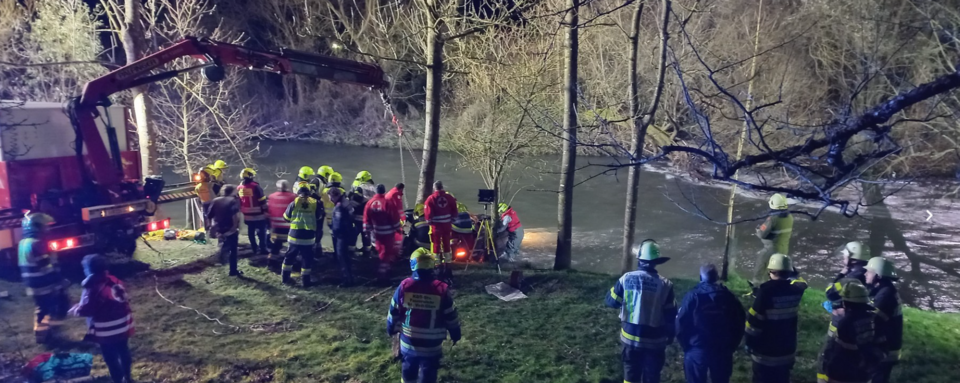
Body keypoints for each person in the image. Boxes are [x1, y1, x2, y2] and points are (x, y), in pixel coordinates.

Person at [605, 240, 677, 383]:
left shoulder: (626, 279)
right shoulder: (666, 285)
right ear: (656, 262)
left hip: (630, 339)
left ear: (639, 259)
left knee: (631, 374)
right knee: (652, 376)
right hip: (655, 342)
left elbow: (611, 301)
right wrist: (670, 335)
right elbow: (671, 315)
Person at [387, 249, 461, 383]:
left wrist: (391, 328)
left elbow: (394, 311)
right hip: (432, 345)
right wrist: (455, 333)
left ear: (413, 264)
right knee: (429, 371)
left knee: (408, 370)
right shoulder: (441, 289)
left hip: (409, 342)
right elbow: (451, 315)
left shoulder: (405, 286)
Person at [68, 254, 134, 383]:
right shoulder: (115, 280)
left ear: (88, 270)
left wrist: (76, 310)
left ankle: (117, 379)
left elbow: (88, 309)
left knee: (110, 356)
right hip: (124, 324)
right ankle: (127, 376)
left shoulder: (92, 287)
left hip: (106, 329)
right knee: (123, 350)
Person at [676, 264, 745, 383]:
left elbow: (680, 322)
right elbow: (740, 320)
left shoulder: (693, 296)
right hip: (722, 348)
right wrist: (732, 345)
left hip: (697, 348)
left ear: (700, 277)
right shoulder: (728, 296)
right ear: (717, 277)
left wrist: (685, 345)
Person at [745, 253, 807, 383]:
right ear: (789, 272)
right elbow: (802, 282)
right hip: (787, 350)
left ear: (770, 271)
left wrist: (749, 343)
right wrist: (793, 271)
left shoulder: (765, 291)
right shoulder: (797, 289)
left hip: (765, 352)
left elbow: (754, 322)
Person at [816, 280, 883, 383]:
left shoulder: (846, 323)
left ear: (846, 303)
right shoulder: (873, 318)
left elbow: (840, 353)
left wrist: (830, 372)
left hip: (845, 373)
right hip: (864, 372)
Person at [18, 212, 70, 344]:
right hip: (43, 282)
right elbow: (45, 266)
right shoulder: (37, 244)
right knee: (51, 308)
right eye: (44, 226)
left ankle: (43, 334)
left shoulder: (23, 243)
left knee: (41, 307)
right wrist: (59, 278)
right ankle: (47, 336)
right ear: (36, 227)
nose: (47, 229)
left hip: (32, 283)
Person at [864, 257, 902, 383]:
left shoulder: (885, 295)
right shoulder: (883, 289)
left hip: (884, 351)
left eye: (869, 271)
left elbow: (872, 321)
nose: (865, 274)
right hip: (885, 348)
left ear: (878, 275)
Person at [282, 182, 323, 286]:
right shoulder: (315, 203)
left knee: (289, 257)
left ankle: (285, 279)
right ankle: (306, 281)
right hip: (308, 236)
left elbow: (286, 218)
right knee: (307, 259)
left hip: (294, 235)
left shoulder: (294, 203)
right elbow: (319, 217)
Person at [364, 184, 402, 283]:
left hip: (376, 233)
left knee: (380, 252)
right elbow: (395, 217)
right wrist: (398, 229)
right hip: (388, 233)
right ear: (384, 191)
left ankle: (383, 271)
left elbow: (366, 219)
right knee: (386, 253)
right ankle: (383, 276)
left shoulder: (369, 203)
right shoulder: (388, 202)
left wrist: (367, 232)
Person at [753, 193, 793, 283]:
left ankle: (756, 286)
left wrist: (758, 230)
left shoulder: (773, 219)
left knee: (761, 267)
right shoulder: (790, 217)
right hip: (784, 248)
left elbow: (762, 234)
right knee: (778, 272)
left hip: (771, 249)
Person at [205, 185, 242, 276]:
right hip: (230, 228)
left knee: (223, 244)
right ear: (232, 192)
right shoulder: (233, 201)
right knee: (233, 250)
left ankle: (221, 260)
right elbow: (235, 216)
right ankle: (233, 270)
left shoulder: (215, 200)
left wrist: (210, 226)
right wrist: (234, 227)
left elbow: (209, 215)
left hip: (219, 228)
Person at [823, 241, 871, 311]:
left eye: (845, 256)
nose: (843, 257)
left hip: (850, 310)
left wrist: (841, 275)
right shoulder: (867, 271)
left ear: (853, 260)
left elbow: (831, 294)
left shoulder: (851, 278)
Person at [328, 187, 356, 287]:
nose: (330, 199)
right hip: (344, 233)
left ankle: (347, 280)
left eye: (330, 197)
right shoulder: (344, 202)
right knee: (344, 256)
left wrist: (335, 230)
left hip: (341, 235)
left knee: (342, 256)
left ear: (335, 196)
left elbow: (339, 222)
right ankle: (348, 277)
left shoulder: (340, 206)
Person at [238, 168, 269, 255]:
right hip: (258, 213)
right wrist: (266, 211)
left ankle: (254, 248)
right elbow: (262, 200)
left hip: (246, 214)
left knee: (251, 231)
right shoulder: (255, 186)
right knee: (262, 231)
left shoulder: (239, 187)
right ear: (251, 176)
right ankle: (263, 248)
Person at [424, 181, 458, 260]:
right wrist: (452, 220)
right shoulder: (449, 197)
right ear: (442, 187)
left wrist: (429, 221)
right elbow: (454, 210)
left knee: (436, 243)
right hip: (447, 224)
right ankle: (447, 260)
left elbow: (428, 213)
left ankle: (437, 261)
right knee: (447, 242)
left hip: (436, 225)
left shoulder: (431, 198)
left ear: (434, 188)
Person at [267, 180, 296, 269]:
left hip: (275, 227)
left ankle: (271, 263)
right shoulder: (293, 197)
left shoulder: (271, 196)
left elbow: (268, 210)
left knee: (276, 245)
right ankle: (291, 262)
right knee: (293, 245)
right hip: (290, 226)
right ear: (288, 186)